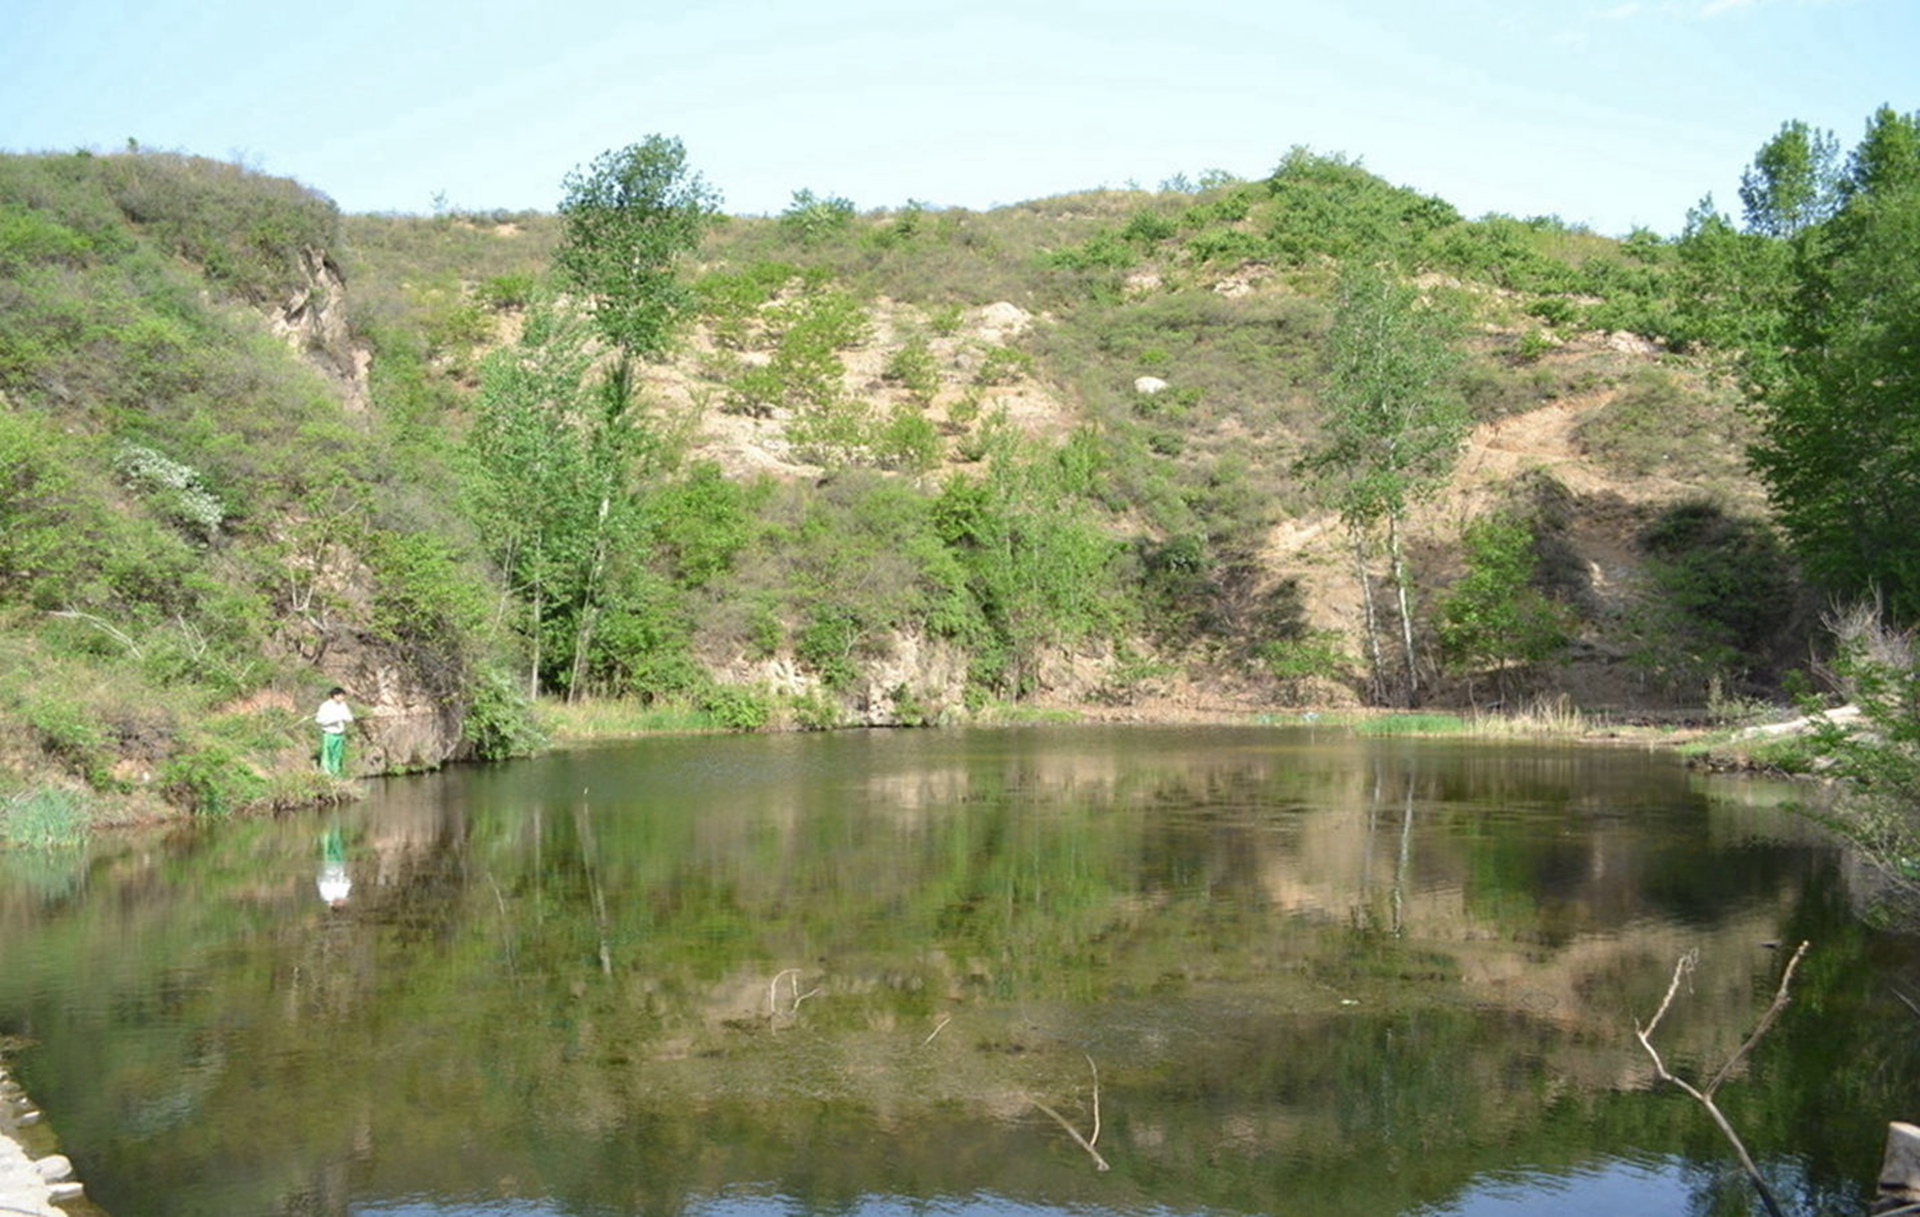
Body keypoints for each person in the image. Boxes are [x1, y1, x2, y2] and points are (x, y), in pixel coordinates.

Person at [315, 686, 354, 776]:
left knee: (337, 755)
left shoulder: (343, 705)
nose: (343, 698)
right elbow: (319, 720)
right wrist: (334, 719)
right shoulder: (325, 706)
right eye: (341, 696)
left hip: (340, 734)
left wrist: (344, 718)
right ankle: (327, 774)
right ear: (335, 696)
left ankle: (336, 774)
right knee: (327, 754)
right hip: (328, 734)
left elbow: (349, 717)